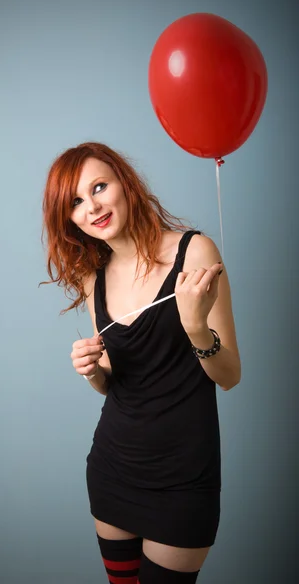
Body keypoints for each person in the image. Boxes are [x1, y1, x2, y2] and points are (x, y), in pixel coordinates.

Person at [41, 141, 241, 583]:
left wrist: (194, 327)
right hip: (113, 469)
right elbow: (116, 382)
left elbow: (230, 375)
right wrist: (94, 371)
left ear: (124, 183)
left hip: (184, 478)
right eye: (75, 202)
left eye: (98, 187)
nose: (91, 207)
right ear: (69, 219)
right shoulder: (93, 277)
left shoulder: (195, 252)